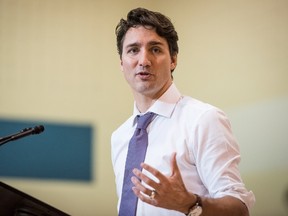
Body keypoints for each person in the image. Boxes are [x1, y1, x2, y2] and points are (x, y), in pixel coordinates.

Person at [111, 7, 255, 216]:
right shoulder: (119, 136)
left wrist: (189, 204)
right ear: (122, 63)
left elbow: (239, 209)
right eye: (133, 50)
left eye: (155, 49)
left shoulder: (204, 120)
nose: (144, 61)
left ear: (173, 60)